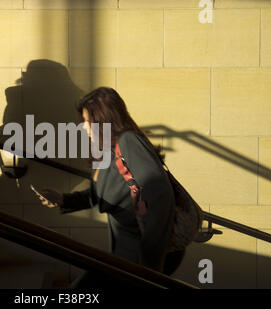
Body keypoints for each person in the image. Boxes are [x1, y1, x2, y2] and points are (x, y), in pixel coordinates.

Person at [33, 87, 185, 287]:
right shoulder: (110, 151)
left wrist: (150, 270)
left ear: (103, 121)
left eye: (88, 122)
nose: (84, 128)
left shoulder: (129, 142)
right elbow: (100, 195)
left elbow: (160, 196)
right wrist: (63, 199)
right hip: (124, 257)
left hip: (140, 262)